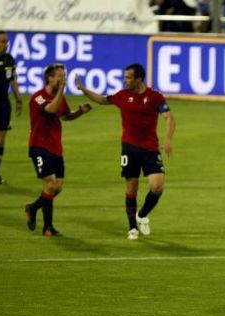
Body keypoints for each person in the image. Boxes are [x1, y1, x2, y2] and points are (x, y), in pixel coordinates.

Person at [75, 63, 176, 240]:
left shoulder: (154, 97)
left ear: (138, 79)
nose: (125, 80)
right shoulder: (122, 96)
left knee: (157, 186)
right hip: (129, 148)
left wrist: (168, 139)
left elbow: (169, 117)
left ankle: (142, 215)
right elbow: (103, 100)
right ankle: (132, 228)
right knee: (131, 187)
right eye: (125, 76)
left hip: (150, 149)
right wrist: (84, 90)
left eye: (128, 77)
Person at [25, 64, 92, 236]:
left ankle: (32, 208)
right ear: (50, 78)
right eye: (60, 76)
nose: (63, 78)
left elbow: (65, 115)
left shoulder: (59, 97)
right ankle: (48, 227)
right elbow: (51, 109)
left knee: (57, 187)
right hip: (39, 146)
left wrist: (80, 112)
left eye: (64, 75)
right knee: (50, 184)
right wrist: (62, 89)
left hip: (55, 148)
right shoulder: (38, 97)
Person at [0, 31, 22, 185]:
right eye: (3, 41)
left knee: (1, 141)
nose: (6, 44)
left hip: (4, 104)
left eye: (7, 42)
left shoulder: (9, 59)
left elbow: (12, 79)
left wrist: (18, 99)